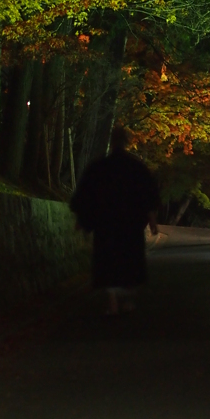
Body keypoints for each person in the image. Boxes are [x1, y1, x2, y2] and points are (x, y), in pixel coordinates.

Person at [70, 126, 160, 315]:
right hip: (131, 225)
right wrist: (151, 220)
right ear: (126, 142)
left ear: (111, 142)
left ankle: (112, 302)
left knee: (108, 261)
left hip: (107, 224)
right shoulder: (136, 168)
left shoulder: (100, 167)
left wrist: (82, 219)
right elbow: (149, 195)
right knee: (130, 261)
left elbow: (87, 194)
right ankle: (127, 300)